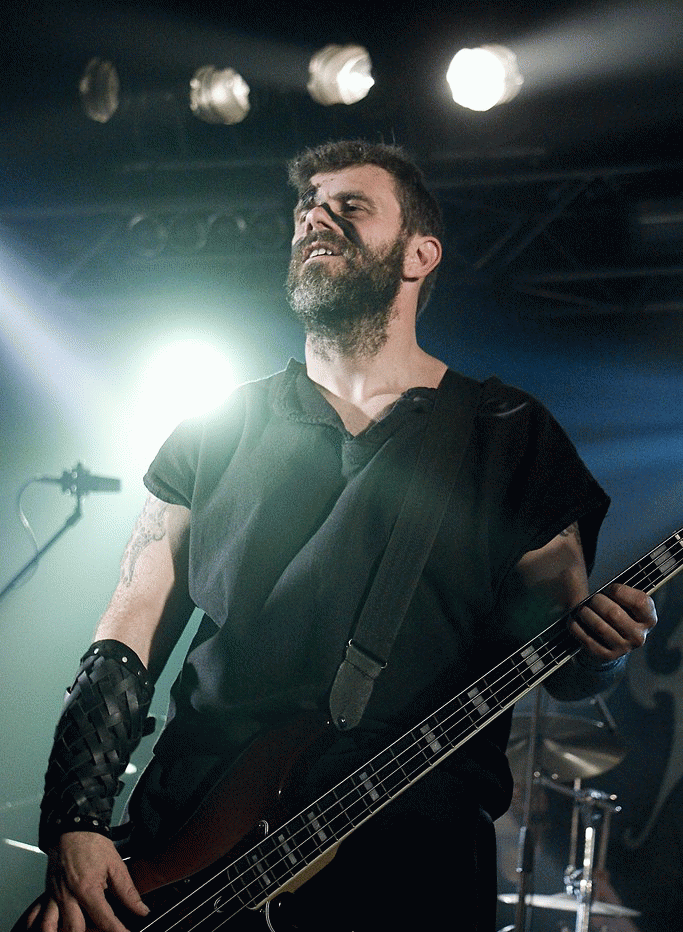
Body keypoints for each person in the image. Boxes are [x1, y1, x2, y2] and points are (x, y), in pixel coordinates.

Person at [22, 140, 656, 932]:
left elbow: (565, 654)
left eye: (349, 206)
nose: (315, 218)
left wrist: (604, 651)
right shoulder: (217, 428)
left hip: (409, 863)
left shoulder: (508, 434)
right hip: (191, 840)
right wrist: (76, 818)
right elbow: (129, 627)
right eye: (306, 208)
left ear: (420, 254)